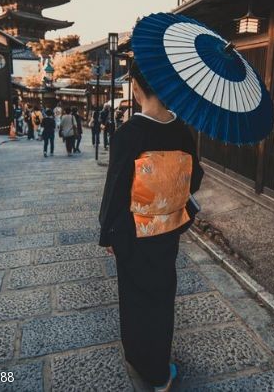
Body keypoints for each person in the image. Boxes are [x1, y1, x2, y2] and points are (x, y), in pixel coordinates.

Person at [98, 59, 203, 391]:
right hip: (167, 228)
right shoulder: (181, 131)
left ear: (137, 87)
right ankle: (159, 363)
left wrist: (108, 234)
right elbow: (194, 179)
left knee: (135, 298)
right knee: (162, 296)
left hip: (133, 232)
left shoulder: (129, 133)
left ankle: (148, 366)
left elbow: (115, 191)